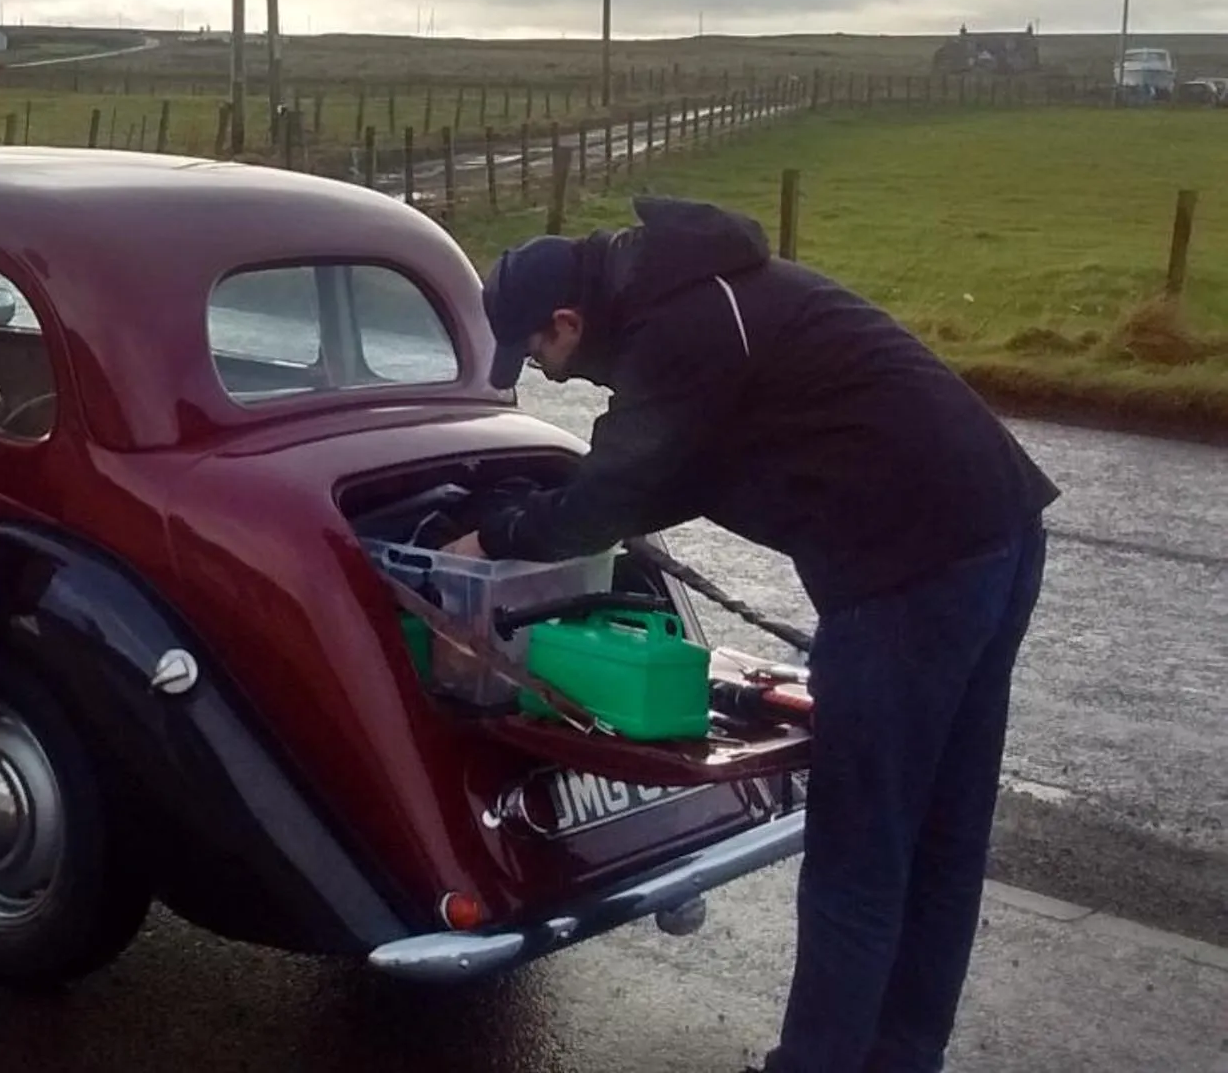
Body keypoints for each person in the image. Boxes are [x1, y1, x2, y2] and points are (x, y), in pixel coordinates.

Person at [446, 195, 1058, 1073]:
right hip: (996, 531)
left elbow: (608, 500)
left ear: (568, 319)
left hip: (908, 572)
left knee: (862, 848)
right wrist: (558, 515)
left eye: (539, 351)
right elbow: (670, 470)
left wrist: (491, 538)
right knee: (939, 836)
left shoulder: (678, 329)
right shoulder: (706, 298)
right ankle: (899, 1058)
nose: (548, 375)